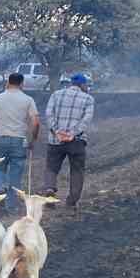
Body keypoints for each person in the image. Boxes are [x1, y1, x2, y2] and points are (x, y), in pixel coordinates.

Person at [0, 72, 40, 217]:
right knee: (16, 174)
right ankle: (11, 208)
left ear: (7, 82)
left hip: (1, 139)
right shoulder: (28, 100)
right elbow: (36, 123)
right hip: (19, 140)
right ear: (22, 84)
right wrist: (33, 139)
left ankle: (1, 185)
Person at [43, 73, 95, 207]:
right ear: (83, 85)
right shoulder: (88, 99)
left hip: (55, 140)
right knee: (77, 170)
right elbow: (86, 120)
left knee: (51, 168)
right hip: (76, 141)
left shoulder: (56, 95)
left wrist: (56, 131)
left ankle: (50, 189)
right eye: (86, 85)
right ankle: (72, 201)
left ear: (71, 83)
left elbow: (49, 114)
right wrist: (72, 134)